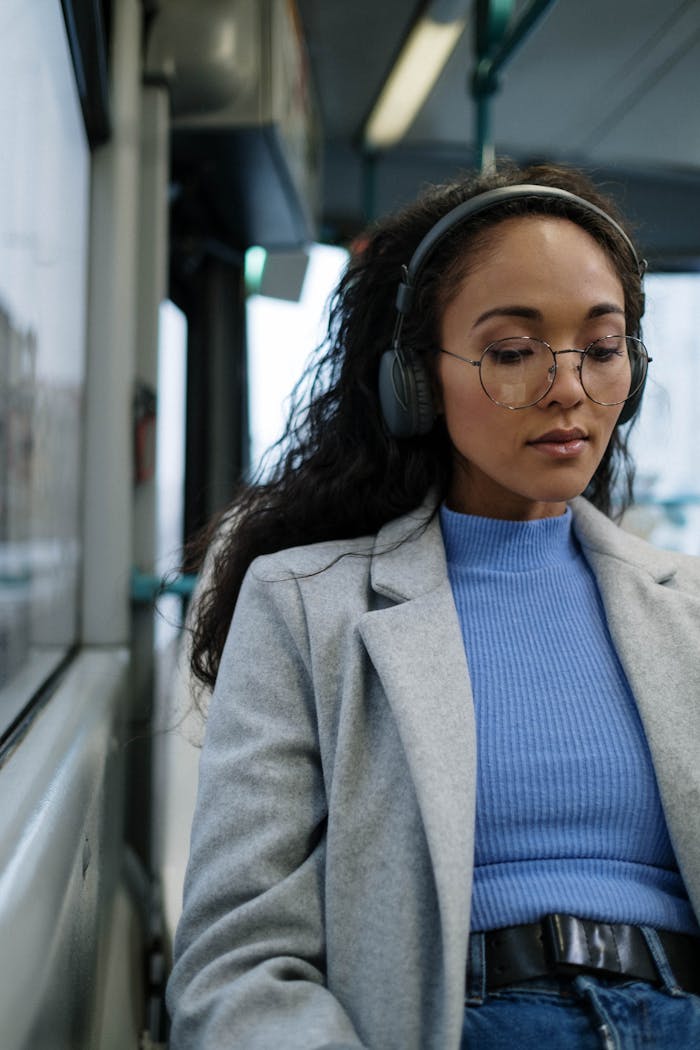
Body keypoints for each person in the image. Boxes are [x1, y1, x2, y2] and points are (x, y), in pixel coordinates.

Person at [166, 161, 700, 1049]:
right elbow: (237, 961)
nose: (567, 387)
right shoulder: (308, 605)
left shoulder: (686, 607)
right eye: (511, 352)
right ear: (415, 380)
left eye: (601, 350)